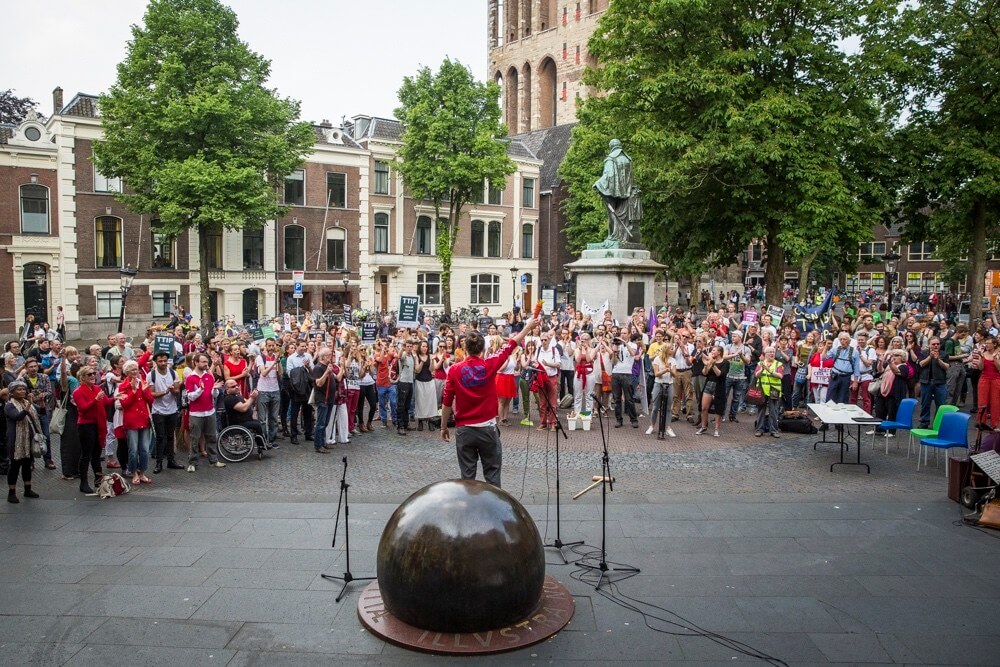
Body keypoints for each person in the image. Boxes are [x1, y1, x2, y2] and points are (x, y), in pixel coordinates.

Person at [440, 315, 537, 487]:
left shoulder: (454, 370)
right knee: (492, 477)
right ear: (482, 350)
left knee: (467, 479)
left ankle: (471, 510)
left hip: (464, 430)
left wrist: (443, 427)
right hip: (487, 428)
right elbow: (510, 345)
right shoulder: (489, 364)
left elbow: (447, 401)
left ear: (465, 348)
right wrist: (527, 327)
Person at [184, 353, 226, 471]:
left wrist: (215, 390)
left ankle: (214, 460)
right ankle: (192, 462)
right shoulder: (190, 378)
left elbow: (213, 395)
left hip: (209, 411)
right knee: (195, 438)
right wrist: (200, 390)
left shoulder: (209, 376)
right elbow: (191, 397)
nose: (206, 364)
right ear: (196, 363)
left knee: (212, 436)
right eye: (203, 362)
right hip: (196, 413)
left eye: (207, 362)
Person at [73, 366, 111, 494]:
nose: (93, 376)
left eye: (94, 374)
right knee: (86, 455)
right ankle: (83, 482)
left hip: (98, 424)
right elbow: (83, 408)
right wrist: (95, 400)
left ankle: (98, 480)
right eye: (89, 374)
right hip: (86, 425)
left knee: (96, 454)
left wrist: (118, 397)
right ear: (82, 377)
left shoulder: (97, 388)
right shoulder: (78, 392)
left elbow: (106, 402)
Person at [118, 360, 154, 486]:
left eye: (136, 369)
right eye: (133, 369)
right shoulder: (122, 386)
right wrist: (133, 392)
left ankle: (142, 472)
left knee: (144, 449)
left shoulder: (143, 382)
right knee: (133, 449)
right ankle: (134, 472)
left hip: (144, 419)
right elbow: (124, 404)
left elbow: (151, 400)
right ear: (127, 372)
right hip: (131, 421)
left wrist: (144, 391)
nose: (136, 371)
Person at [147, 351, 184, 473]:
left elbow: (177, 390)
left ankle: (171, 460)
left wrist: (174, 391)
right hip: (158, 411)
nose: (163, 363)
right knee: (160, 437)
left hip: (172, 409)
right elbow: (152, 394)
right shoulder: (151, 375)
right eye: (160, 361)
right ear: (156, 362)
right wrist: (165, 391)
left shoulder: (173, 373)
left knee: (170, 436)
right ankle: (159, 463)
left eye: (165, 361)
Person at [696, 346, 729, 437]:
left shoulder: (725, 363)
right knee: (704, 408)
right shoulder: (710, 361)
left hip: (718, 386)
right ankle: (703, 426)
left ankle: (716, 429)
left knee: (718, 409)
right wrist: (707, 365)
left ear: (719, 352)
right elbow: (704, 373)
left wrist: (714, 365)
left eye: (713, 350)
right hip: (709, 384)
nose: (712, 352)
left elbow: (720, 374)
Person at [254, 338, 282, 448]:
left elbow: (280, 373)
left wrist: (278, 363)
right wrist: (273, 363)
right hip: (263, 390)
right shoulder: (260, 358)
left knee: (274, 418)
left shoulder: (276, 357)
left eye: (273, 345)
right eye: (269, 346)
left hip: (275, 390)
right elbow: (264, 373)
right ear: (266, 346)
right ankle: (263, 440)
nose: (271, 348)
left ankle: (272, 439)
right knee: (262, 419)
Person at [916, 337, 949, 429]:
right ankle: (924, 422)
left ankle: (938, 423)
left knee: (941, 404)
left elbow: (946, 366)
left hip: (940, 382)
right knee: (925, 403)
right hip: (926, 381)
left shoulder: (944, 354)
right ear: (929, 345)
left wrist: (938, 359)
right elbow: (921, 364)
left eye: (937, 344)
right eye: (933, 344)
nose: (936, 346)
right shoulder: (923, 353)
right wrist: (930, 357)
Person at [610, 334, 641, 428]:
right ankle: (619, 420)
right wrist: (615, 352)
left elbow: (632, 354)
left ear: (628, 335)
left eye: (625, 333)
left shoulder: (632, 345)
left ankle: (633, 420)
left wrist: (625, 343)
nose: (623, 335)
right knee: (617, 399)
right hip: (616, 373)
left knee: (629, 398)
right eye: (621, 333)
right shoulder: (617, 346)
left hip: (627, 373)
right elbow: (614, 362)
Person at [648, 338, 676, 438]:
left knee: (668, 407)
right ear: (666, 350)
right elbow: (656, 374)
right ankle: (652, 425)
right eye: (671, 349)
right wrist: (666, 370)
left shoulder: (673, 360)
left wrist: (670, 370)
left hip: (669, 384)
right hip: (658, 384)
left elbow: (674, 374)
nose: (673, 350)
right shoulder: (657, 359)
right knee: (655, 407)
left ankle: (668, 427)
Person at [753, 347, 783, 437]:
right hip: (762, 390)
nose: (772, 353)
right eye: (770, 352)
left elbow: (780, 376)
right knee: (761, 411)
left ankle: (774, 430)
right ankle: (759, 429)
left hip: (774, 390)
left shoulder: (779, 364)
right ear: (765, 354)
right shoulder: (760, 363)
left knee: (773, 411)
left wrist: (770, 371)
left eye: (773, 352)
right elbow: (756, 375)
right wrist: (762, 369)